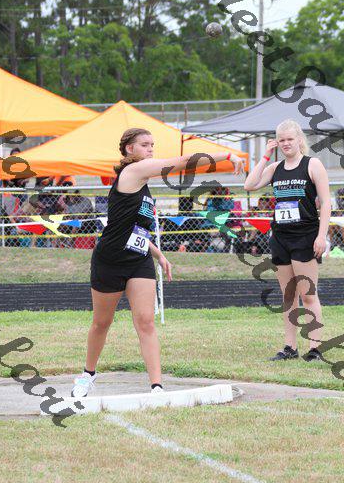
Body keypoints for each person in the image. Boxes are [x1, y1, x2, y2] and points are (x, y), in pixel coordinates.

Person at [71, 127, 244, 398]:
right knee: (101, 323)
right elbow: (182, 162)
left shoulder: (143, 183)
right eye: (144, 144)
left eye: (152, 144)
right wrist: (227, 155)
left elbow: (132, 228)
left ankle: (157, 386)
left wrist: (158, 254)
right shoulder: (133, 171)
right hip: (110, 259)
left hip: (138, 259)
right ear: (129, 149)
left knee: (146, 321)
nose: (151, 148)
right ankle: (87, 374)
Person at [244, 119, 331, 362]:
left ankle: (315, 348)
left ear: (299, 139)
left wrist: (321, 235)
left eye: (289, 139)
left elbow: (326, 202)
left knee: (308, 294)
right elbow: (249, 185)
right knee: (288, 296)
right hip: (281, 237)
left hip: (305, 236)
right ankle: (290, 347)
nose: (285, 144)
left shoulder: (312, 164)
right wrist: (265, 156)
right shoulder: (275, 168)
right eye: (281, 140)